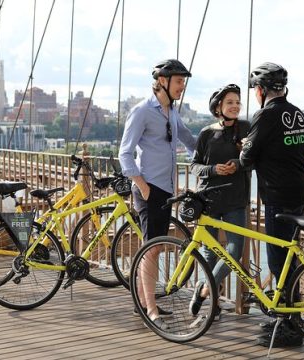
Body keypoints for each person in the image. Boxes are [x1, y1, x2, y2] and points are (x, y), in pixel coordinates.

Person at [118, 59, 196, 330]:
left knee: (154, 247)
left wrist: (222, 151)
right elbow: (124, 153)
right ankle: (150, 308)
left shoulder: (171, 112)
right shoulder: (142, 111)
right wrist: (143, 185)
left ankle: (144, 300)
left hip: (165, 189)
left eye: (183, 82)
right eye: (178, 81)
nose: (182, 86)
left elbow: (191, 141)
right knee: (151, 249)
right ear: (162, 81)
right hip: (150, 188)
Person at [239, 62, 304, 348]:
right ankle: (288, 318)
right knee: (289, 258)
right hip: (299, 192)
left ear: (260, 90)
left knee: (278, 260)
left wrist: (245, 145)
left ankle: (289, 326)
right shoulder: (298, 114)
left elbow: (246, 158)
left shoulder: (266, 115)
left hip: (276, 195)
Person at [188, 84, 251, 320]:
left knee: (234, 251)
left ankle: (205, 290)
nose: (235, 106)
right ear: (218, 108)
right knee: (210, 253)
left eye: (237, 102)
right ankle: (213, 303)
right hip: (209, 200)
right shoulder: (206, 133)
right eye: (230, 103)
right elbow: (194, 166)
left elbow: (255, 160)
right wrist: (214, 169)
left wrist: (239, 164)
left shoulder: (247, 129)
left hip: (236, 200)